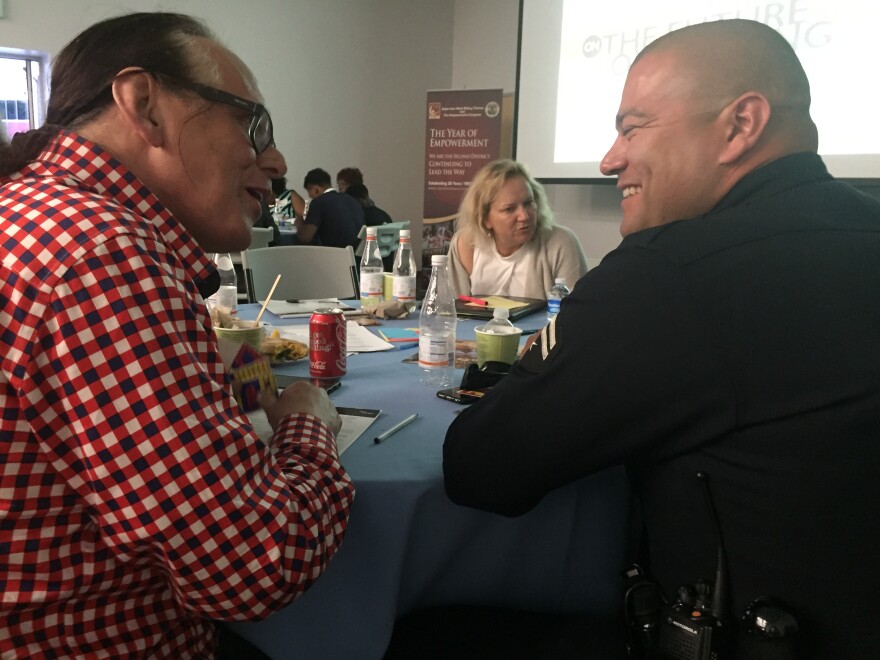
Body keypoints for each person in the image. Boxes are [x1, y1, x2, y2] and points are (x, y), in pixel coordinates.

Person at [443, 19, 880, 659]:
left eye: (632, 127)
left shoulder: (670, 274)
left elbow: (481, 467)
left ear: (740, 125)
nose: (609, 159)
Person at [0, 12, 355, 658]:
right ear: (145, 106)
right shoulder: (102, 255)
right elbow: (255, 564)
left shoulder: (35, 214)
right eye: (254, 125)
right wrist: (307, 421)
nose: (274, 160)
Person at [447, 159, 588, 299]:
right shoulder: (465, 245)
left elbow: (578, 313)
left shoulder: (560, 242)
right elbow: (452, 312)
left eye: (528, 203)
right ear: (484, 218)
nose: (524, 216)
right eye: (509, 209)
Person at [289, 167, 364, 248]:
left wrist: (299, 223)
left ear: (316, 189)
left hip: (332, 255)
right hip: (355, 256)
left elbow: (305, 238)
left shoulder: (318, 202)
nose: (310, 196)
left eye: (309, 192)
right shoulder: (352, 200)